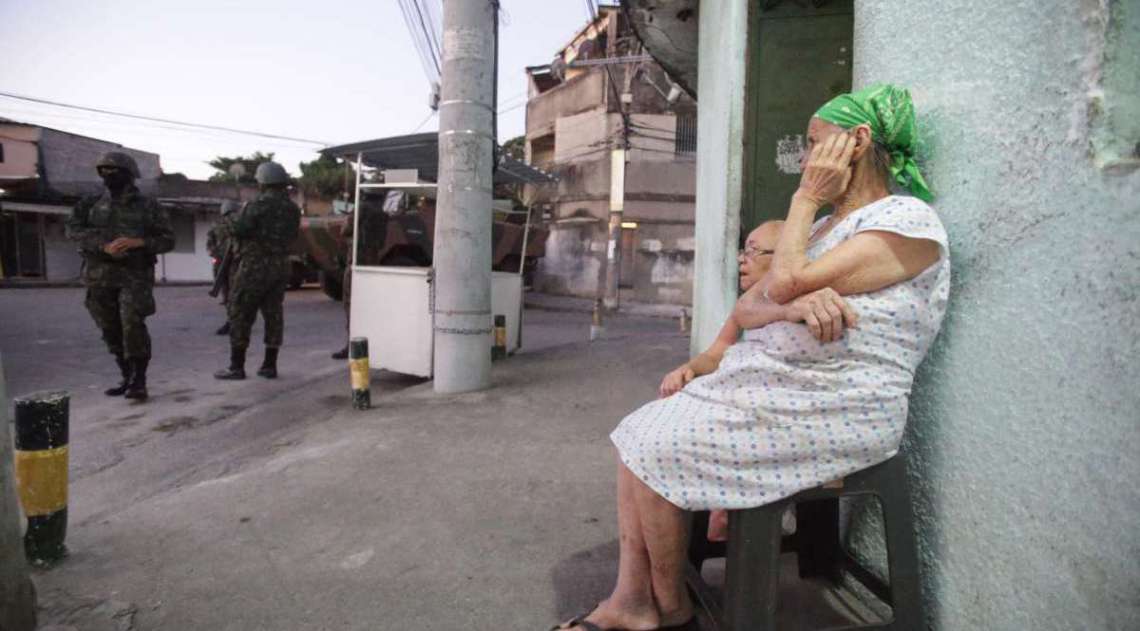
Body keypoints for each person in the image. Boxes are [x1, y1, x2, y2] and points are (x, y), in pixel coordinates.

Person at [552, 84, 949, 631]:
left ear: (857, 142)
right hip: (780, 391)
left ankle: (665, 609)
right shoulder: (821, 233)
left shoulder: (907, 219)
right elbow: (752, 303)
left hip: (842, 406)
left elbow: (780, 281)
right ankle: (639, 598)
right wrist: (792, 306)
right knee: (639, 430)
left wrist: (805, 201)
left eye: (814, 143)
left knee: (659, 442)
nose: (805, 159)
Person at [66, 151, 175, 401]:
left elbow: (167, 240)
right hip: (99, 276)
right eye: (103, 170)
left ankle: (139, 380)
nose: (107, 175)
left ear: (129, 174)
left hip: (134, 276)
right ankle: (126, 375)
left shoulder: (148, 206)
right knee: (109, 328)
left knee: (132, 325)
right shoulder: (90, 204)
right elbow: (72, 230)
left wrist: (139, 242)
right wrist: (104, 245)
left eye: (113, 171)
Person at [214, 161, 301, 380]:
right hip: (280, 267)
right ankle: (269, 365)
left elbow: (238, 229)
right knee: (273, 314)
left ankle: (236, 367)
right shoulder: (292, 209)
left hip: (254, 266)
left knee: (241, 312)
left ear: (262, 182)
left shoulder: (258, 205)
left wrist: (227, 215)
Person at [206, 199, 241, 336]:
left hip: (226, 263)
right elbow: (210, 246)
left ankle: (234, 322)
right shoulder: (238, 223)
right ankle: (234, 321)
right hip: (231, 263)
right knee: (232, 294)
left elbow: (209, 246)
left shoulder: (217, 225)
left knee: (228, 294)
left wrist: (216, 254)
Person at [331, 210, 354, 360]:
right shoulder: (381, 213)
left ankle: (351, 346)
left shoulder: (357, 213)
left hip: (354, 265)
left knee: (350, 306)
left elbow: (345, 230)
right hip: (371, 263)